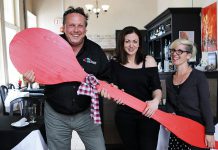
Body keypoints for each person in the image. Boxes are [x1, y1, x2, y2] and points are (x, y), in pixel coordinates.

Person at [23, 6, 110, 150]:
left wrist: (105, 86)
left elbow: (106, 77)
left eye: (80, 26)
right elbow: (33, 67)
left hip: (87, 114)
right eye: (71, 25)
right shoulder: (49, 46)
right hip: (55, 115)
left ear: (85, 29)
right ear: (63, 27)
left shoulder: (95, 51)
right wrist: (29, 76)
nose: (76, 30)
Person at [108, 26, 162, 150]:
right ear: (122, 43)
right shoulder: (114, 63)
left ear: (139, 44)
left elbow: (156, 88)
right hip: (124, 116)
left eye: (135, 41)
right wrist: (115, 94)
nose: (131, 45)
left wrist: (155, 101)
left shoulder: (148, 60)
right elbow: (113, 87)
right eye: (127, 41)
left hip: (148, 113)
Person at [165, 38, 215, 149]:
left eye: (179, 51)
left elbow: (205, 106)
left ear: (188, 55)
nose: (174, 54)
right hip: (177, 128)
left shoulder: (199, 77)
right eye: (172, 50)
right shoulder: (169, 79)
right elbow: (169, 103)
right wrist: (170, 114)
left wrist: (210, 132)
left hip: (196, 128)